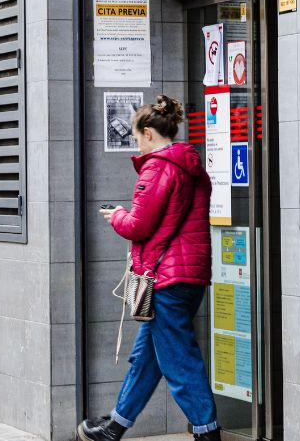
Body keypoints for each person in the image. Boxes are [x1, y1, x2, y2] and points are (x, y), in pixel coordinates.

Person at [78, 95, 219, 441]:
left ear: (149, 133)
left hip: (165, 279)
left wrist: (117, 216)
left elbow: (138, 226)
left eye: (138, 138)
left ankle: (207, 431)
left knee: (180, 359)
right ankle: (115, 426)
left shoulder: (158, 167)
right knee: (148, 356)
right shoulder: (193, 168)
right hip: (189, 276)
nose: (137, 145)